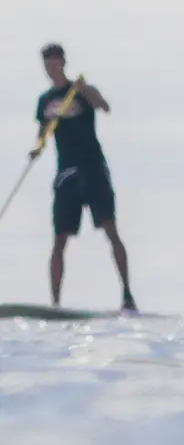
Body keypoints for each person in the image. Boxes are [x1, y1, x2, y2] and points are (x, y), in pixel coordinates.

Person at [32, 43, 137, 312]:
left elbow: (104, 106)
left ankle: (127, 295)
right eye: (47, 65)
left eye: (55, 64)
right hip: (66, 174)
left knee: (110, 230)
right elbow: (42, 132)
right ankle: (55, 304)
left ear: (63, 63)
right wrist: (37, 147)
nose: (51, 68)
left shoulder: (80, 91)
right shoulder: (45, 101)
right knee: (59, 240)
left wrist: (85, 90)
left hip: (92, 169)